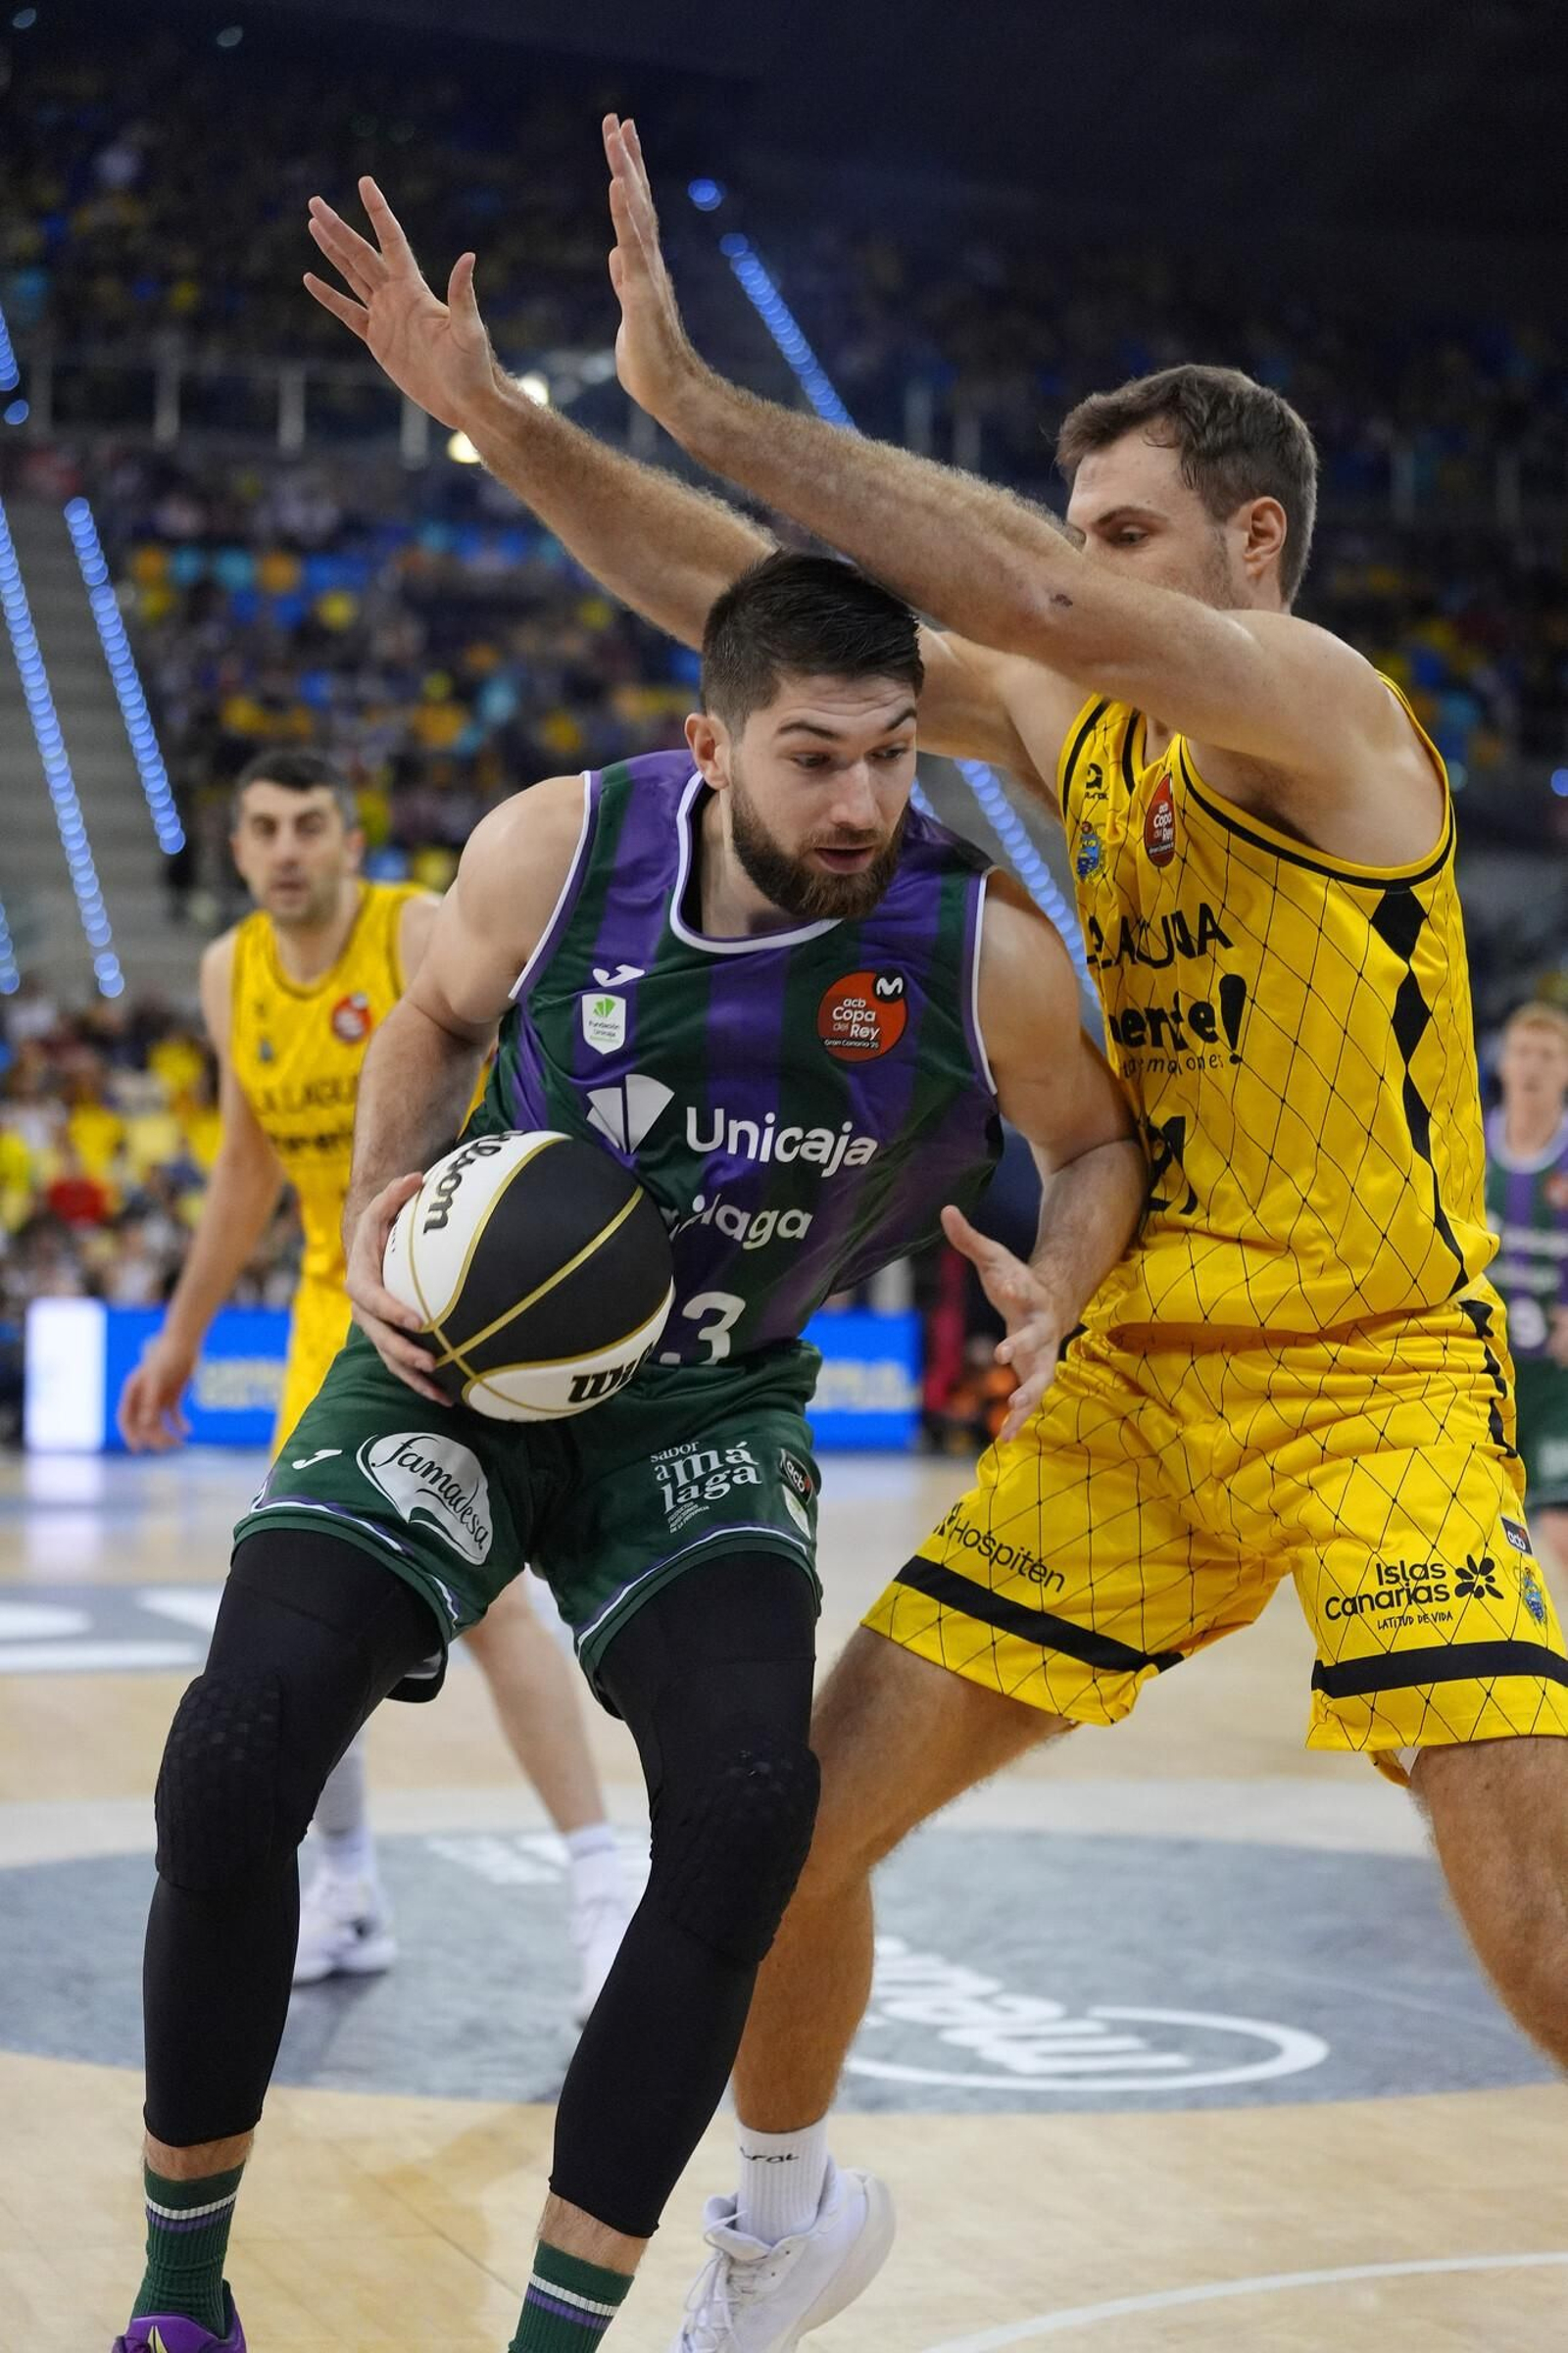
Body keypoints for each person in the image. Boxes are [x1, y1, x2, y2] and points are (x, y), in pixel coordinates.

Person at [308, 129, 1568, 2349]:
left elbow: (1029, 609)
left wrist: (702, 390)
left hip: (1376, 1380)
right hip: (1144, 1385)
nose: (1053, 582)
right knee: (773, 1836)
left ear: (1244, 547)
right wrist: (506, 413)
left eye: (1116, 534)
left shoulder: (1331, 717)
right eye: (1067, 529)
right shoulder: (1069, 723)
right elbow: (728, 593)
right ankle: (783, 2222)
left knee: (1537, 1946)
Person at [110, 552, 1146, 2353]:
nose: (865, 801)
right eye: (815, 757)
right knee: (232, 1751)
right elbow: (434, 1017)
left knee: (750, 1814)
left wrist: (1057, 1287)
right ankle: (181, 2294)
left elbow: (1099, 1146)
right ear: (710, 746)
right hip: (461, 1366)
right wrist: (373, 1209)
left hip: (708, 1399)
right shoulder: (555, 850)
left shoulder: (977, 953)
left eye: (897, 755)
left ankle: (559, 2336)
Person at [116, 747, 630, 2004]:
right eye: (263, 829)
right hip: (329, 1309)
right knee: (296, 1593)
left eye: (308, 826)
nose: (286, 848)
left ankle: (600, 1879)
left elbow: (514, 1092)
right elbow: (244, 1170)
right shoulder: (231, 966)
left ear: (351, 840)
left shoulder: (413, 933)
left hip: (464, 1298)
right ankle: (346, 1884)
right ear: (235, 851)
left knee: (494, 1602)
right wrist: (180, 1335)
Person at [1486, 1002, 1568, 1587]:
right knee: (1484, 1520)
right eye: (1522, 1052)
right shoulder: (1469, 1141)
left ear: (1565, 1070)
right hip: (1483, 1368)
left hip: (1557, 1377)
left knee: (1560, 1526)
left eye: (1547, 1054)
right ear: (1503, 1065)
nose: (1533, 1066)